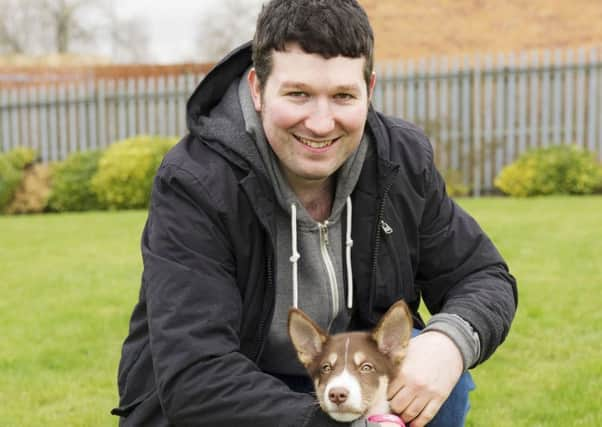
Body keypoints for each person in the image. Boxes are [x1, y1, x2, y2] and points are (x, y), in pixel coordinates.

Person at [112, 1, 517, 426]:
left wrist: (448, 343)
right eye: (299, 94)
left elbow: (483, 276)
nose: (321, 124)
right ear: (257, 88)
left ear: (369, 89)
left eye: (343, 96)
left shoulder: (400, 159)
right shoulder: (196, 181)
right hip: (229, 398)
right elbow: (195, 375)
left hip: (343, 374)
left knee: (431, 364)